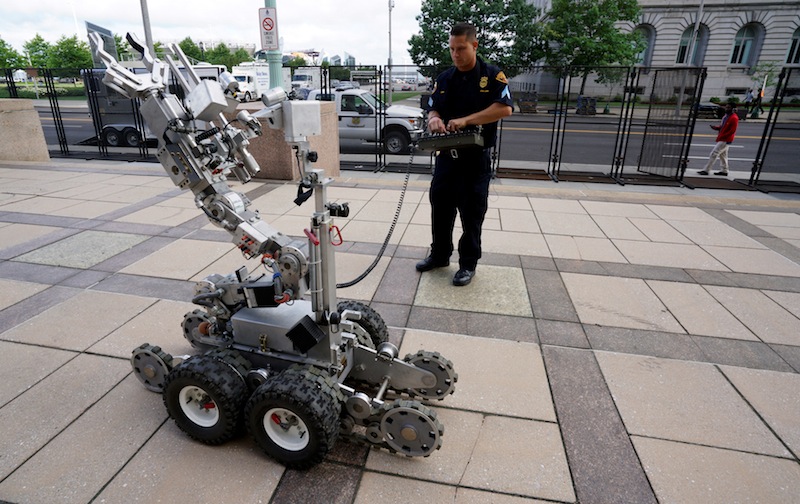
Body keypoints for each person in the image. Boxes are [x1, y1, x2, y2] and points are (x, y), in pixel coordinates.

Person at [415, 22, 514, 286]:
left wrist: (466, 120)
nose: (456, 54)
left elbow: (504, 108)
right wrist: (434, 119)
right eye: (452, 49)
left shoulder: (492, 75)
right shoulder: (446, 78)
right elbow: (434, 109)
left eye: (461, 48)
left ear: (474, 45)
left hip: (475, 161)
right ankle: (439, 255)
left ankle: (467, 264)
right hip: (447, 158)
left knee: (472, 215)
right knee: (441, 209)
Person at [698, 103, 738, 176]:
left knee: (714, 153)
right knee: (723, 156)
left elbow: (732, 130)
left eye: (728, 108)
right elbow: (723, 126)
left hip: (725, 140)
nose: (726, 109)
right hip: (723, 138)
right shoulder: (726, 117)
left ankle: (706, 170)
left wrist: (723, 136)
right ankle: (724, 170)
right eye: (726, 107)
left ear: (733, 109)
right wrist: (716, 128)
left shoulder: (734, 118)